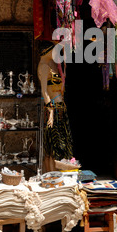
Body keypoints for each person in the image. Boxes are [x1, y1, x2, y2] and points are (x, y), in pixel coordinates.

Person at [37, 40, 73, 172]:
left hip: (59, 106)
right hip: (53, 108)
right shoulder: (44, 66)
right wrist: (50, 111)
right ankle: (51, 174)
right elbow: (44, 91)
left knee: (58, 142)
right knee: (53, 143)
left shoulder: (51, 64)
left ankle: (55, 174)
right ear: (46, 51)